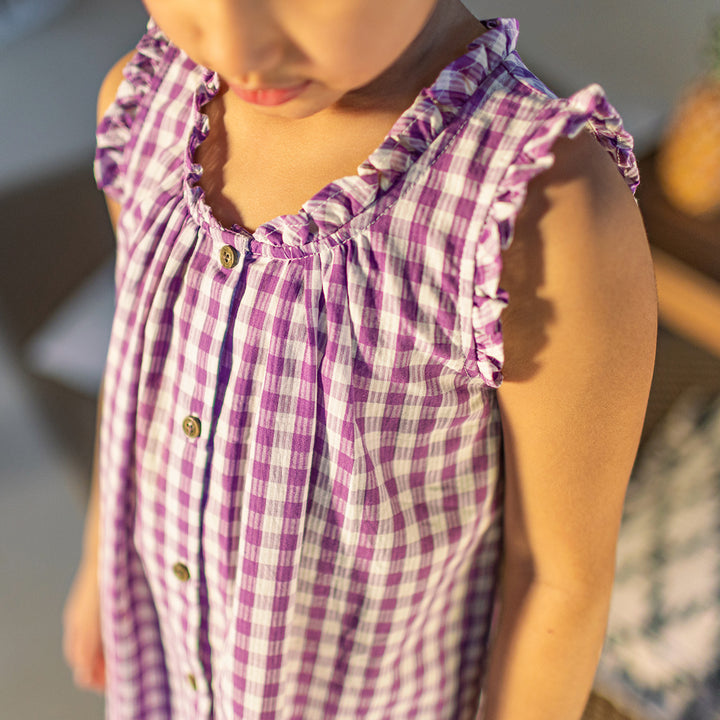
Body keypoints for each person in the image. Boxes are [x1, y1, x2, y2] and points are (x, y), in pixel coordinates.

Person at [62, 1, 657, 718]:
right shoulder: (144, 99)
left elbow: (558, 580)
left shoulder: (535, 208)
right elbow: (139, 374)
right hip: (173, 672)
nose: (234, 46)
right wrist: (102, 555)